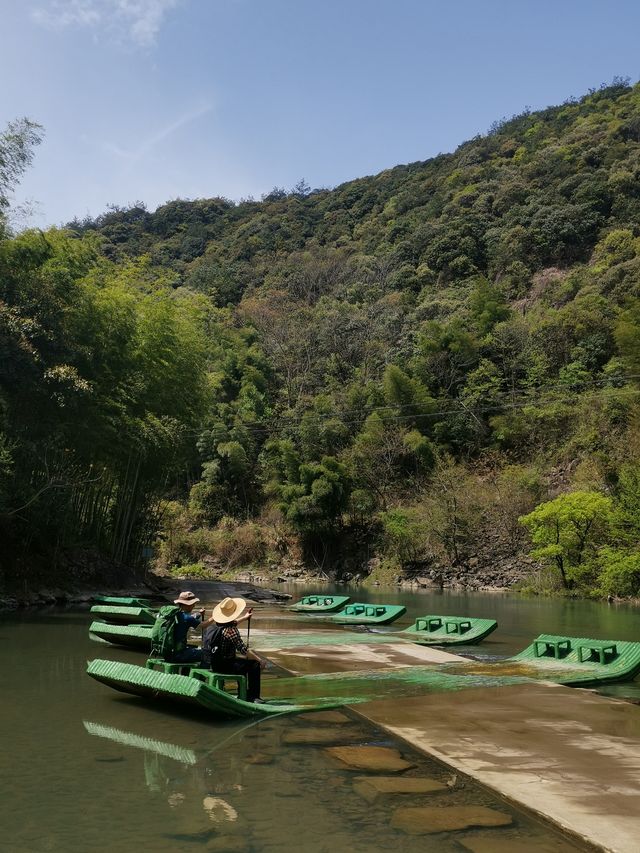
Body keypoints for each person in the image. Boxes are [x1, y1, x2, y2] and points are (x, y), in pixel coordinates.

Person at [204, 597, 266, 703]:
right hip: (225, 666)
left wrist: (245, 617)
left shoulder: (214, 627)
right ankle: (253, 696)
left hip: (214, 664)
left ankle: (243, 692)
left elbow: (232, 623)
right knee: (254, 664)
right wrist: (260, 660)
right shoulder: (231, 631)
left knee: (241, 663)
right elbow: (243, 650)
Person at [169, 590, 215, 664]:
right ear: (186, 605)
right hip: (179, 654)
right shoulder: (187, 618)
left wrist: (199, 614)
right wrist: (215, 617)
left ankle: (185, 673)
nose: (194, 606)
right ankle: (201, 674)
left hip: (169, 653)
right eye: (192, 604)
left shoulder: (176, 614)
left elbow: (190, 618)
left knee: (193, 649)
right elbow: (203, 625)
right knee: (207, 654)